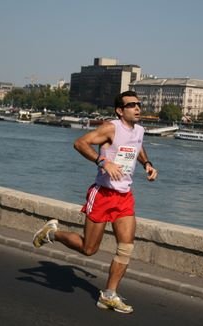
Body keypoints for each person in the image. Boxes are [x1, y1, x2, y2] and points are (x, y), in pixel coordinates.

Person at [32, 90, 158, 313]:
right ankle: (52, 233)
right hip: (102, 195)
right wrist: (103, 162)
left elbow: (137, 147)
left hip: (124, 197)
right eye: (131, 105)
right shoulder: (111, 128)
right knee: (89, 249)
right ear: (120, 111)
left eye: (139, 104)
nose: (137, 108)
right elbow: (80, 143)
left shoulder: (139, 130)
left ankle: (109, 295)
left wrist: (147, 164)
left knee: (126, 248)